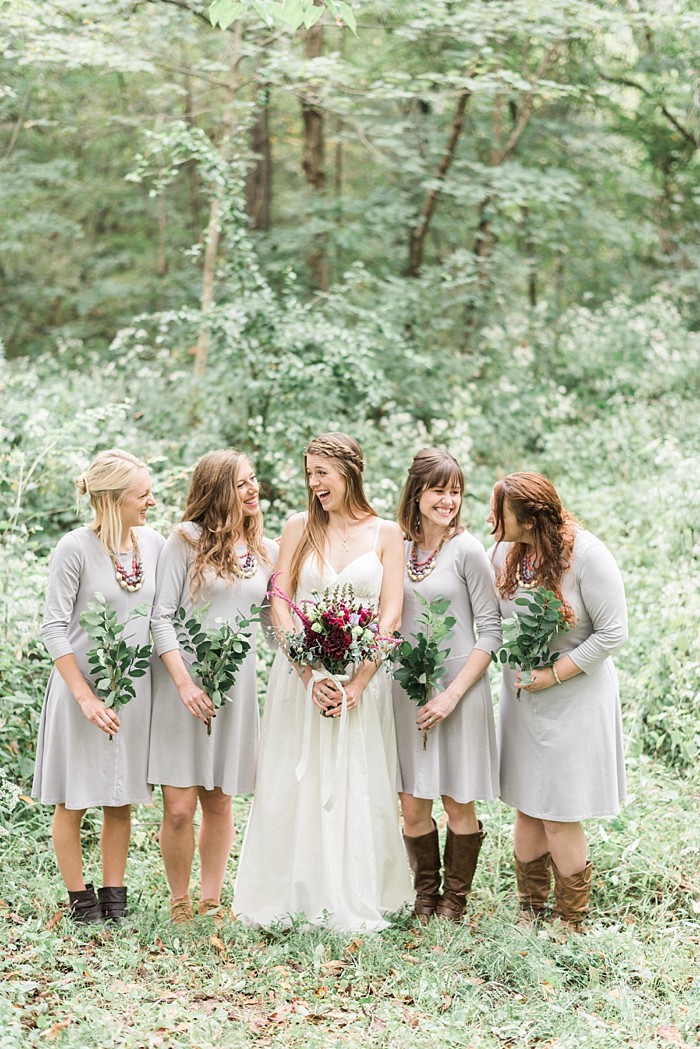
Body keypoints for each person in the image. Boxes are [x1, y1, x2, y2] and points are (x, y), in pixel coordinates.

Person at [233, 432, 413, 931]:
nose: (313, 484)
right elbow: (280, 601)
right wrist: (308, 672)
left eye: (322, 474)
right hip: (301, 680)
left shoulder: (387, 535)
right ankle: (292, 893)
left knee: (357, 782)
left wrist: (357, 683)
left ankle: (354, 892)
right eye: (309, 474)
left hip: (362, 679)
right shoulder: (298, 528)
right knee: (294, 782)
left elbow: (390, 615)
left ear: (349, 472)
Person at [488, 472, 627, 932]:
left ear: (529, 518)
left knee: (560, 810)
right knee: (528, 803)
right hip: (525, 698)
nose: (492, 519)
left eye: (500, 512)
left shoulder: (586, 555)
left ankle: (572, 919)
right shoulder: (506, 553)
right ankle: (530, 909)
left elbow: (613, 632)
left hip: (575, 698)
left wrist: (553, 674)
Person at [33, 448, 163, 924]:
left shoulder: (153, 543)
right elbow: (53, 628)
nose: (150, 501)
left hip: (133, 691)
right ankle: (80, 902)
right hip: (79, 691)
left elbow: (163, 616)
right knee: (73, 799)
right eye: (142, 494)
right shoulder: (74, 548)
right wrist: (84, 697)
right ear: (113, 500)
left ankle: (114, 898)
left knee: (119, 795)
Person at [148, 449, 277, 924]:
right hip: (183, 683)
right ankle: (180, 902)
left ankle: (211, 900)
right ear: (218, 487)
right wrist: (183, 682)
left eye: (254, 479)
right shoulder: (184, 540)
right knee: (180, 807)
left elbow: (272, 626)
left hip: (235, 688)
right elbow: (160, 616)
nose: (253, 489)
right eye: (243, 482)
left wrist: (315, 661)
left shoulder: (268, 551)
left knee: (220, 800)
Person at [393, 448, 501, 921]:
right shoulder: (394, 547)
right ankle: (425, 894)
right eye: (439, 490)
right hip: (406, 690)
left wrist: (452, 694)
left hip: (459, 690)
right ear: (417, 493)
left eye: (455, 491)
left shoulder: (468, 550)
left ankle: (454, 901)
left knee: (458, 799)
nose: (448, 500)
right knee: (413, 802)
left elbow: (491, 631)